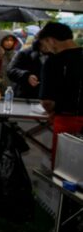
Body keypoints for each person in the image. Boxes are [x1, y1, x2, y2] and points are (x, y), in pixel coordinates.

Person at [37, 22, 83, 164]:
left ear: (51, 40)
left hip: (67, 120)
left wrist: (50, 110)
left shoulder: (53, 62)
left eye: (45, 44)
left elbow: (47, 102)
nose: (47, 49)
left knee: (66, 167)